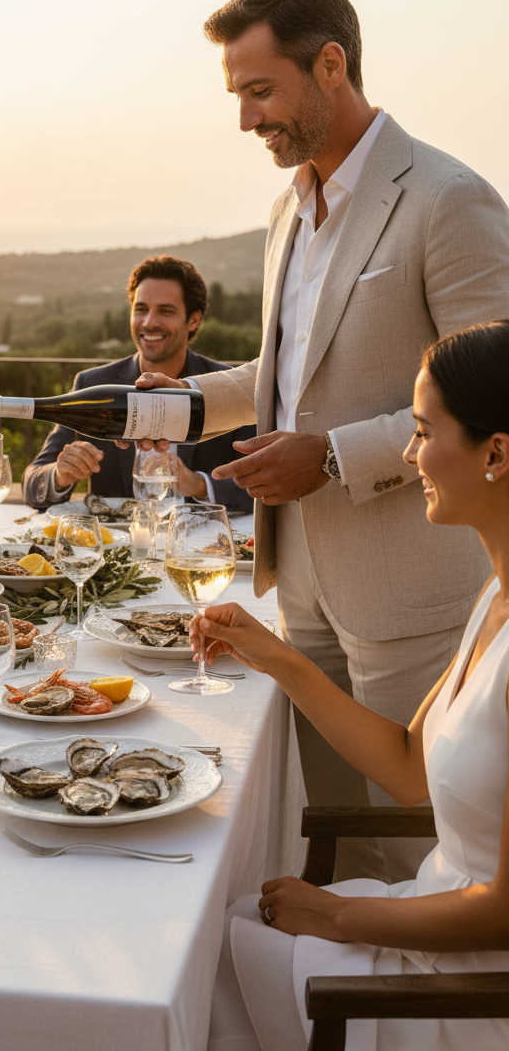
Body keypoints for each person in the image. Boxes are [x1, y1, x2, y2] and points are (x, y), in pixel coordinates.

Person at [132, 0, 509, 880]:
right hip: (298, 579)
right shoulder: (287, 210)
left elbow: (497, 391)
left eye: (260, 90)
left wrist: (333, 459)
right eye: (238, 95)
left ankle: (407, 997)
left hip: (407, 591)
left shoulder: (447, 200)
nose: (246, 118)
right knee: (329, 828)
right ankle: (336, 972)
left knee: (421, 833)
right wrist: (170, 408)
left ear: (330, 65)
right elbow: (289, 373)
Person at [203, 320, 509, 1051]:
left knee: (203, 958)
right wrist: (276, 656)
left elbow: (503, 912)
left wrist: (336, 917)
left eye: (424, 431)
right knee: (221, 924)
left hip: (470, 984)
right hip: (431, 916)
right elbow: (410, 767)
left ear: (496, 453)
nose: (408, 454)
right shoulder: (493, 596)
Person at [21, 255, 254, 514]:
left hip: (199, 549)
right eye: (141, 309)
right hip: (114, 548)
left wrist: (198, 484)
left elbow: (257, 484)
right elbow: (32, 483)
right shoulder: (93, 383)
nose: (148, 322)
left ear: (194, 320)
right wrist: (59, 475)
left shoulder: (229, 388)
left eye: (165, 311)